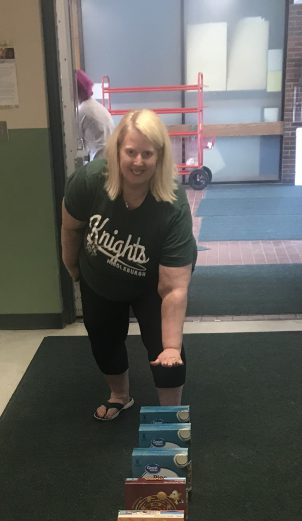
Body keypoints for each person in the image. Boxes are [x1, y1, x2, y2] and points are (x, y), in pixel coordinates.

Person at [61, 108, 196, 421]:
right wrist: (72, 267)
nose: (138, 162)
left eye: (147, 153)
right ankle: (120, 395)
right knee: (103, 336)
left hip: (154, 284)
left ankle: (170, 416)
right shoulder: (90, 180)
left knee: (165, 348)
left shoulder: (172, 204)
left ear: (159, 156)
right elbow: (71, 227)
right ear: (117, 150)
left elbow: (174, 287)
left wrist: (172, 347)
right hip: (100, 275)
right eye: (131, 152)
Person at [75, 69, 114, 161]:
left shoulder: (83, 110)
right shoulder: (95, 105)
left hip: (100, 160)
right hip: (110, 157)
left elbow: (75, 143)